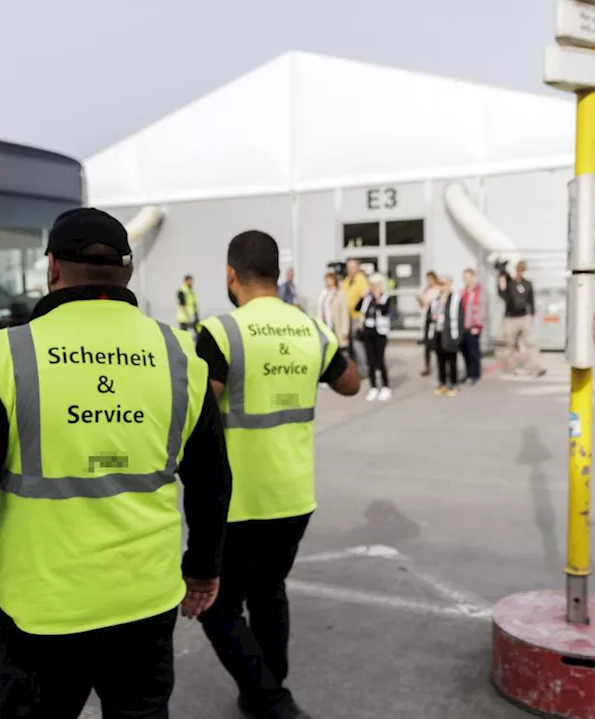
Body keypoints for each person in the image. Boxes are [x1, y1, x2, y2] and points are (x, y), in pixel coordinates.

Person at [0, 208, 232, 719]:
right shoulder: (179, 356)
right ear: (128, 272)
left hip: (44, 613)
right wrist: (202, 569)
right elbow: (212, 482)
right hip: (145, 604)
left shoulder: (8, 356)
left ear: (52, 269)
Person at [196, 230, 360, 719]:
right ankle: (267, 685)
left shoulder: (222, 331)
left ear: (231, 275)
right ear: (274, 272)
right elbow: (350, 384)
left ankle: (269, 697)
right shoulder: (310, 328)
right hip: (294, 494)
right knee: (269, 592)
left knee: (219, 606)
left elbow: (201, 408)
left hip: (238, 498)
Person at [497, 259, 546, 377]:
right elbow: (501, 292)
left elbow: (531, 300)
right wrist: (501, 274)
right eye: (517, 270)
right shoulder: (509, 284)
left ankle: (537, 368)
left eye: (521, 270)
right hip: (510, 318)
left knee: (530, 343)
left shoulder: (527, 284)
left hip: (524, 317)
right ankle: (510, 368)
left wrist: (532, 315)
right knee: (511, 345)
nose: (519, 273)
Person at [357, 274, 394, 402]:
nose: (373, 288)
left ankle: (385, 386)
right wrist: (362, 297)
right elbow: (358, 308)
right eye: (371, 285)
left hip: (380, 333)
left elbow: (384, 310)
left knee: (380, 360)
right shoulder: (367, 299)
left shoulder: (386, 298)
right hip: (368, 332)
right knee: (370, 361)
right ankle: (373, 387)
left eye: (375, 285)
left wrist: (377, 298)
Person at [432, 275, 463, 396]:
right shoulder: (437, 299)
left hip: (451, 333)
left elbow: (460, 318)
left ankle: (453, 384)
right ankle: (443, 382)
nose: (441, 287)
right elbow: (432, 315)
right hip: (439, 333)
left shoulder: (455, 299)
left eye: (443, 284)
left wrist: (459, 336)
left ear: (449, 285)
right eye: (440, 284)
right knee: (440, 360)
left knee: (452, 360)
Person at [340, 259, 369, 376]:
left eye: (352, 267)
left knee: (358, 344)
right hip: (347, 317)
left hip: (357, 317)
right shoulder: (346, 281)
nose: (349, 270)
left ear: (357, 268)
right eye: (348, 267)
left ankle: (364, 370)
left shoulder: (361, 280)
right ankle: (354, 369)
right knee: (350, 346)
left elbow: (364, 298)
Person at [460, 268, 485, 385]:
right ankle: (468, 373)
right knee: (465, 352)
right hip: (463, 326)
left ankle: (475, 374)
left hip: (474, 326)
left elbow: (483, 310)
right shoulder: (463, 291)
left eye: (469, 277)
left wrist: (478, 326)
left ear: (473, 277)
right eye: (465, 278)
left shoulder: (479, 291)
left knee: (473, 352)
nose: (467, 280)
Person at [315, 271, 350, 354]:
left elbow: (344, 314)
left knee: (339, 349)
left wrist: (345, 330)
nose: (327, 282)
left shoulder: (340, 294)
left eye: (329, 280)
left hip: (336, 326)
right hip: (326, 325)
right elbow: (319, 309)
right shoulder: (323, 294)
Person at [418, 271, 440, 377]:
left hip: (437, 318)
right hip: (428, 316)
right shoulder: (427, 289)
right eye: (428, 279)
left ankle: (441, 364)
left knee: (436, 342)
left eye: (430, 279)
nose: (429, 281)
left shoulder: (439, 289)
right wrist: (421, 302)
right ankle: (427, 365)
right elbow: (423, 304)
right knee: (427, 343)